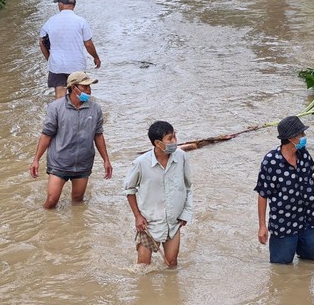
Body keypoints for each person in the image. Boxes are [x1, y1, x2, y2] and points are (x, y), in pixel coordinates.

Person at [255, 116, 314, 264]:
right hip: (284, 223)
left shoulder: (303, 154)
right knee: (281, 267)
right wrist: (262, 226)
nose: (304, 137)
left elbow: (307, 179)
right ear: (291, 138)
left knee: (310, 258)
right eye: (301, 134)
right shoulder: (271, 161)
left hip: (306, 219)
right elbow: (262, 194)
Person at [29, 71, 113, 209]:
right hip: (59, 161)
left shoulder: (95, 109)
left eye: (89, 87)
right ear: (74, 88)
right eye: (85, 87)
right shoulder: (56, 107)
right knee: (51, 201)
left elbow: (98, 135)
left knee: (78, 200)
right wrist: (36, 159)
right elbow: (47, 134)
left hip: (83, 162)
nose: (89, 90)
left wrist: (106, 160)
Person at [123, 121, 193, 268]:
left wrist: (185, 213)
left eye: (175, 136)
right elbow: (129, 190)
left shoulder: (181, 157)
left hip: (173, 222)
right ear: (157, 143)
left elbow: (188, 187)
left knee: (172, 263)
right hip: (149, 223)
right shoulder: (141, 163)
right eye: (170, 138)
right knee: (143, 266)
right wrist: (137, 216)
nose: (174, 141)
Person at [39, 0, 100, 99]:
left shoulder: (50, 22)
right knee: (80, 96)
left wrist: (49, 59)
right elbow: (88, 43)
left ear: (60, 4)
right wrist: (96, 57)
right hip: (76, 65)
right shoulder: (81, 21)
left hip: (57, 66)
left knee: (60, 97)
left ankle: (60, 115)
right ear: (74, 5)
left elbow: (42, 43)